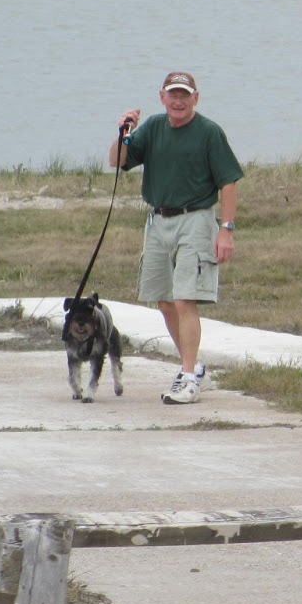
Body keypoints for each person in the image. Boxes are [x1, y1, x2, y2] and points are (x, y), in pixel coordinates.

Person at [109, 71, 244, 404]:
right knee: (164, 300)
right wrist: (124, 131)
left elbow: (228, 182)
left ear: (196, 97)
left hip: (195, 220)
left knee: (185, 299)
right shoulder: (154, 127)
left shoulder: (209, 133)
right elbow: (118, 160)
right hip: (158, 221)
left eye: (185, 95)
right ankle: (193, 367)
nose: (179, 101)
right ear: (162, 97)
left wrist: (226, 230)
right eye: (173, 94)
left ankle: (186, 376)